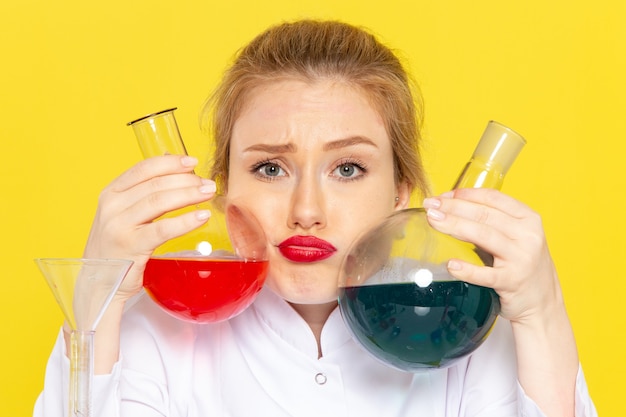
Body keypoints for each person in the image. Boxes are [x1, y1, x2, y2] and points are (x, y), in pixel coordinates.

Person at [35, 19, 597, 417]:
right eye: (271, 169)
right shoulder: (149, 338)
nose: (307, 211)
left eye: (348, 168)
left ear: (402, 194)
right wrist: (95, 298)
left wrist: (542, 313)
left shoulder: (466, 340)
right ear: (224, 194)